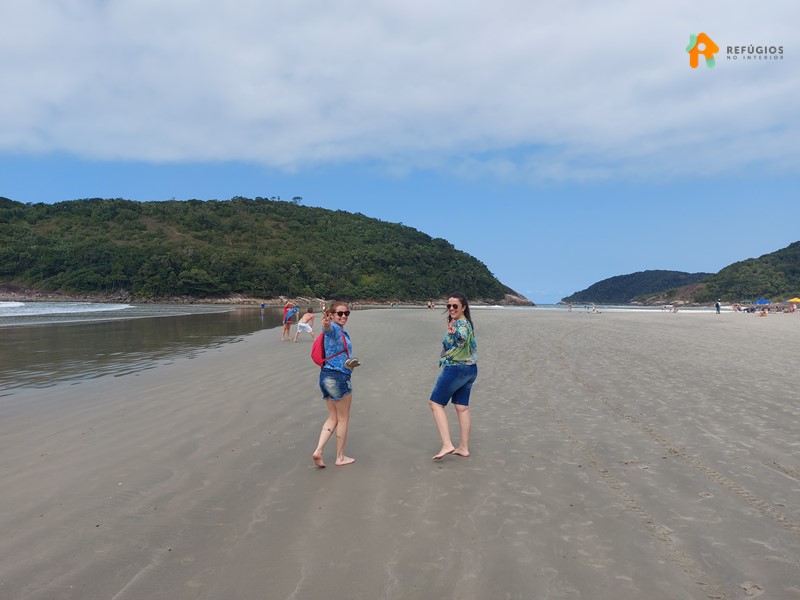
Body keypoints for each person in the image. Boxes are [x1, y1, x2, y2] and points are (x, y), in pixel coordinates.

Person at [429, 292, 478, 460]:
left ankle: (447, 444)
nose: (451, 308)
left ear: (463, 307)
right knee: (461, 407)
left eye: (455, 306)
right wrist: (452, 328)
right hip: (470, 369)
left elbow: (462, 338)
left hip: (456, 368)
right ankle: (463, 447)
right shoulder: (465, 322)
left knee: (435, 404)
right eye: (449, 305)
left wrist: (453, 331)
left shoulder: (461, 325)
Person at [312, 302, 356, 467]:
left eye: (346, 313)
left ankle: (318, 451)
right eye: (340, 313)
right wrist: (326, 324)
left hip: (325, 376)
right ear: (331, 315)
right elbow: (327, 329)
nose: (344, 316)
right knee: (343, 418)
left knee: (333, 417)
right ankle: (340, 457)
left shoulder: (340, 330)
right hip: (338, 378)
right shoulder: (334, 329)